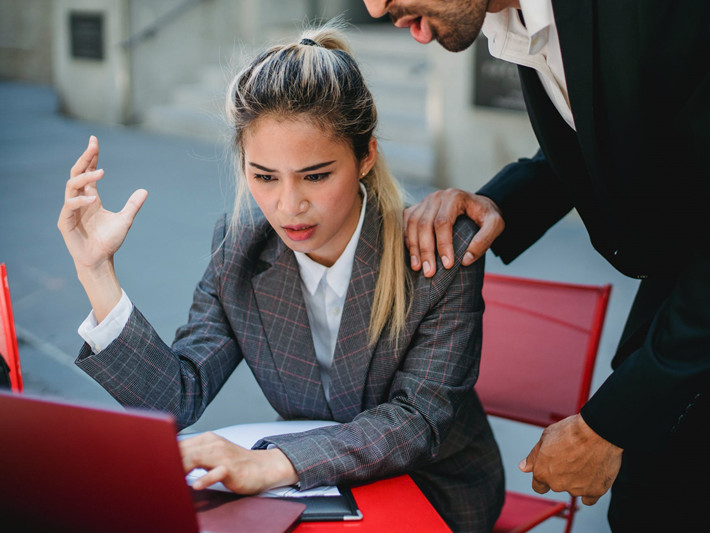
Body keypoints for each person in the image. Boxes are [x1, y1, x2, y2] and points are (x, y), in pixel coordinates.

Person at [363, 0, 710, 531]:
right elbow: (615, 119)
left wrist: (608, 425)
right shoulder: (525, 21)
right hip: (704, 286)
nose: (374, 4)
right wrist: (502, 203)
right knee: (648, 512)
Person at [57, 23, 504, 532]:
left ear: (366, 157)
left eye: (316, 175)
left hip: (430, 488)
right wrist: (96, 271)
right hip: (307, 487)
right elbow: (174, 397)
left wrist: (274, 463)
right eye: (264, 176)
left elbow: (418, 420)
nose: (288, 206)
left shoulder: (436, 249)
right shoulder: (240, 245)